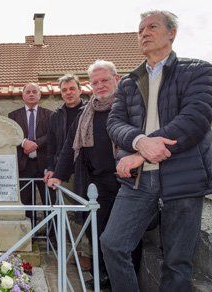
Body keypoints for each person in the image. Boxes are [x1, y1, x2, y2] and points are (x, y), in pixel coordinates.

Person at [101, 10, 212, 292]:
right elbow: (114, 123)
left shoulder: (198, 69)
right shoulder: (128, 82)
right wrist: (139, 142)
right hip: (139, 181)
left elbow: (195, 119)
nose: (144, 34)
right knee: (112, 244)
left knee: (177, 262)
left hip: (183, 176)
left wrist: (141, 152)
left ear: (171, 33)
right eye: (140, 31)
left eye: (152, 27)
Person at [48, 60, 142, 290]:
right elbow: (70, 146)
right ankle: (103, 277)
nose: (100, 86)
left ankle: (126, 281)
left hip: (128, 182)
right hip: (96, 183)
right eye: (95, 82)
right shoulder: (85, 113)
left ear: (116, 79)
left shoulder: (131, 107)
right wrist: (59, 175)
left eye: (105, 80)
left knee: (125, 237)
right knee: (97, 233)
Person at [42, 74, 92, 270]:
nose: (68, 93)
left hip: (87, 170)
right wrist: (51, 169)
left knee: (88, 212)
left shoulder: (90, 110)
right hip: (65, 173)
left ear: (80, 90)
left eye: (72, 88)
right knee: (70, 213)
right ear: (60, 93)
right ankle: (76, 251)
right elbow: (51, 146)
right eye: (64, 90)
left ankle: (87, 254)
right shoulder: (56, 115)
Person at [8, 83, 54, 228]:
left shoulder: (50, 115)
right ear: (23, 96)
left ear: (40, 95)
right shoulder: (13, 116)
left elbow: (52, 135)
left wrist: (36, 143)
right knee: (26, 203)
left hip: (44, 166)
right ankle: (29, 235)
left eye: (35, 92)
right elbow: (11, 136)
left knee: (49, 202)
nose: (31, 94)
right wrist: (23, 143)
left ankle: (52, 236)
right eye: (28, 92)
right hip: (24, 165)